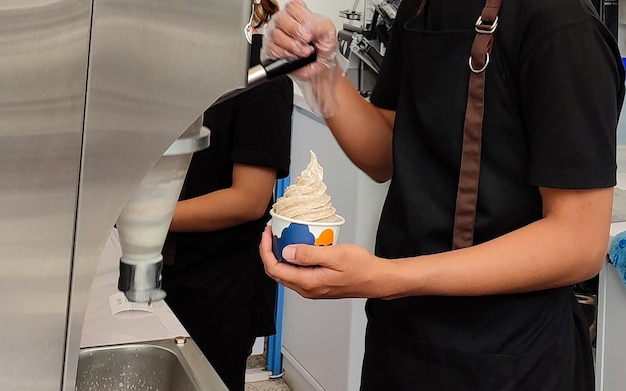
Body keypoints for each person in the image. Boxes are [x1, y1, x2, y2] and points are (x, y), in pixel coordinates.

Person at [259, 0, 625, 389]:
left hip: (508, 358)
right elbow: (387, 149)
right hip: (401, 339)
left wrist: (388, 276)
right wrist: (323, 76)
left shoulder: (561, 24)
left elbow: (578, 241)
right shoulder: (420, 8)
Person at [161, 1, 293, 390]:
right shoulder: (169, 63)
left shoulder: (263, 75)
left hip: (216, 287)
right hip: (154, 265)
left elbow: (248, 199)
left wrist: (140, 217)